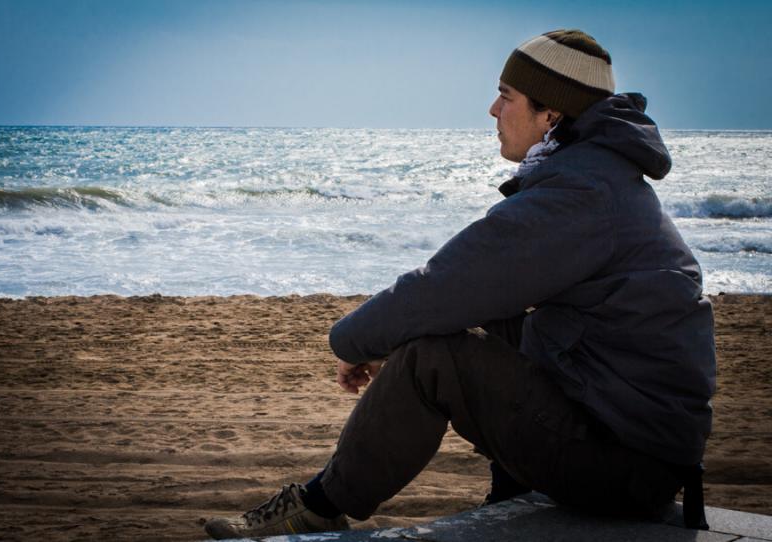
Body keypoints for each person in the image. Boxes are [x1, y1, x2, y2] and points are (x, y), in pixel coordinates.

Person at [204, 29, 716, 539]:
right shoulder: (597, 178)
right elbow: (474, 291)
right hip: (628, 437)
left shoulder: (581, 192)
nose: (493, 109)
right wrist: (398, 338)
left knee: (436, 355)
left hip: (626, 463)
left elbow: (444, 286)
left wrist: (351, 342)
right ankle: (510, 498)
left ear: (552, 114)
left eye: (507, 95)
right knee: (486, 319)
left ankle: (320, 505)